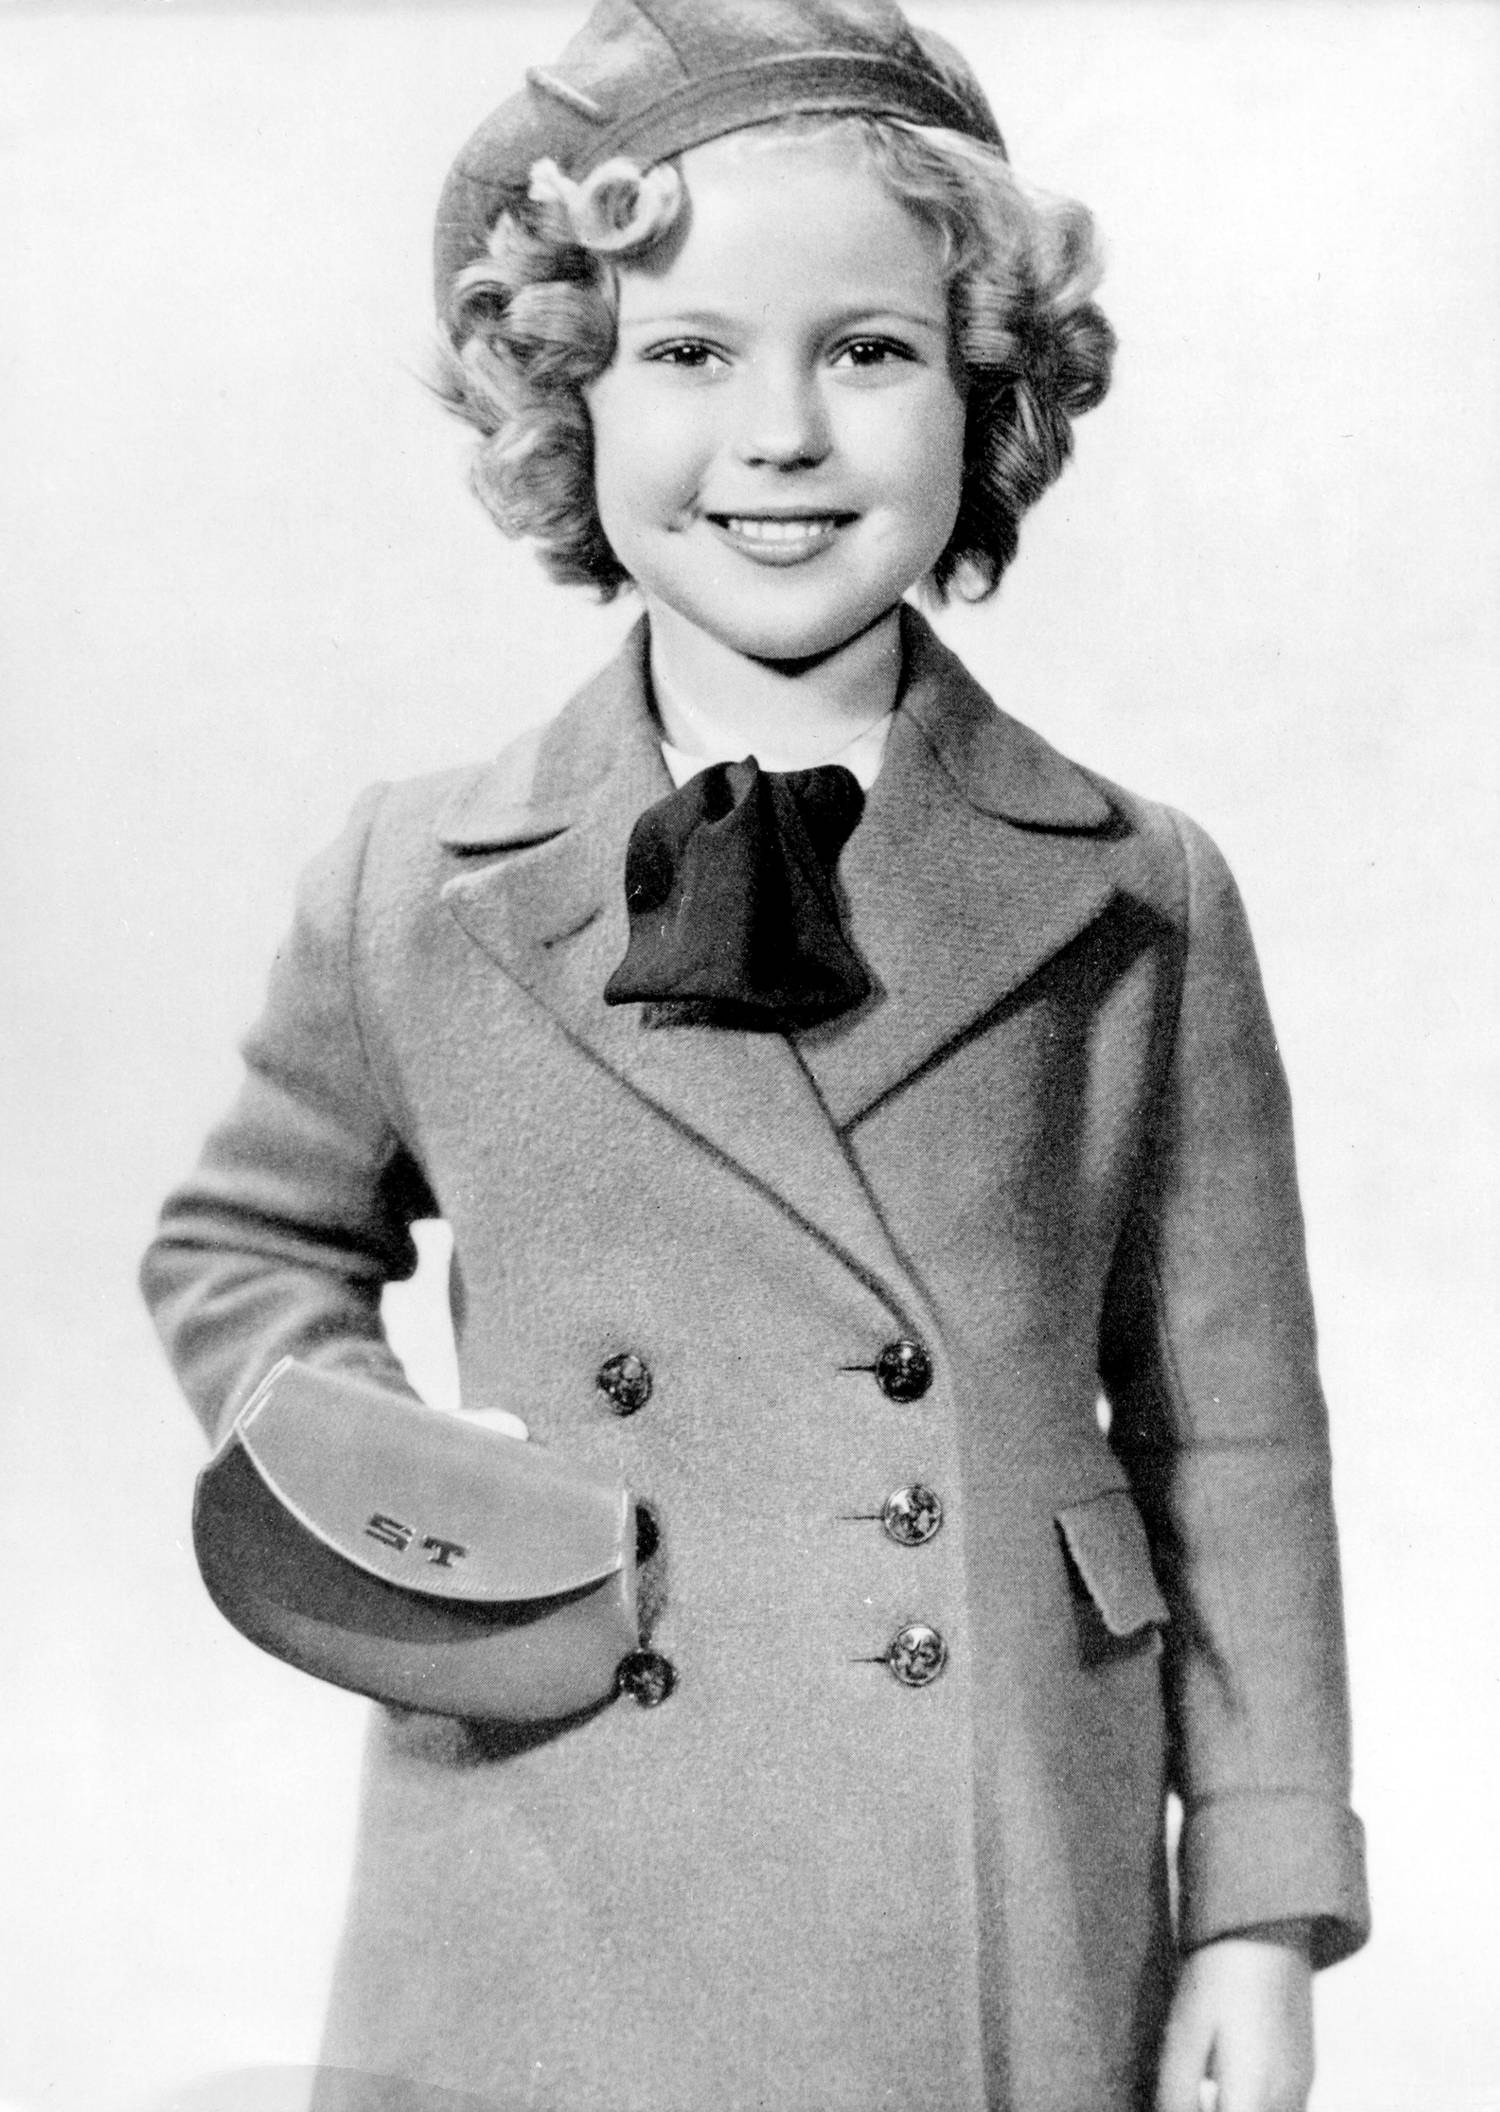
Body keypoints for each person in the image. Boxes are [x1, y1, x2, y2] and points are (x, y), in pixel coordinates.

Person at [140, 3, 1370, 2107]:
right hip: (544, 1829)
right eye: (690, 352)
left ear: (987, 392)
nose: (780, 433)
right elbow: (241, 1244)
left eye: (868, 350)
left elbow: (1237, 1446)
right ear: (566, 395)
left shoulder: (1139, 894)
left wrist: (1259, 1911)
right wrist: (404, 1490)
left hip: (996, 1843)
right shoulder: (413, 882)